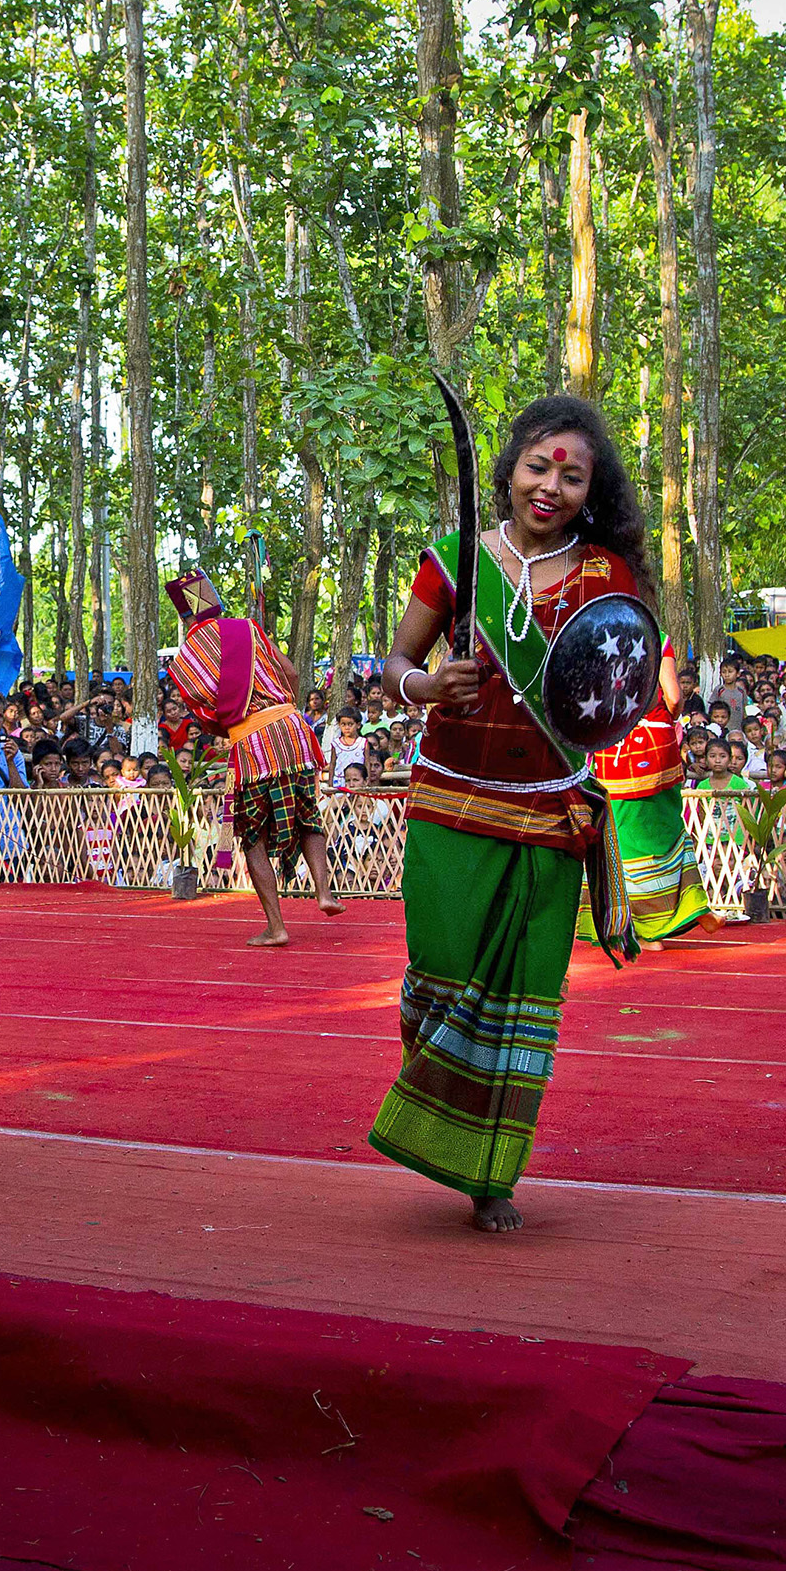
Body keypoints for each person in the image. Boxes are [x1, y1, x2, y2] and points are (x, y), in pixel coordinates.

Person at [368, 394, 649, 1234]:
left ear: (590, 491)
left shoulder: (606, 578)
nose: (551, 486)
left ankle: (493, 1175)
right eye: (538, 466)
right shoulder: (455, 562)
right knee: (440, 982)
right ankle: (441, 1129)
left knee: (523, 997)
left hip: (548, 817)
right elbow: (394, 664)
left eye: (572, 475)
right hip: (449, 806)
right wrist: (425, 686)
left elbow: (617, 694)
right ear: (511, 470)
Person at [160, 569, 344, 946]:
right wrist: (284, 709)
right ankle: (324, 892)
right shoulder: (246, 627)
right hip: (292, 730)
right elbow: (290, 673)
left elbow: (208, 719)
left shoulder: (183, 663)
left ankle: (276, 927)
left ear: (185, 616)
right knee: (307, 813)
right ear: (214, 603)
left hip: (250, 742)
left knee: (252, 836)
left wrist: (240, 727)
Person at [593, 641, 712, 946]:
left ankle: (634, 925)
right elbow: (673, 698)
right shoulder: (657, 636)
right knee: (668, 828)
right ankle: (684, 908)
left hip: (612, 741)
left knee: (621, 836)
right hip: (655, 744)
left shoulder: (596, 629)